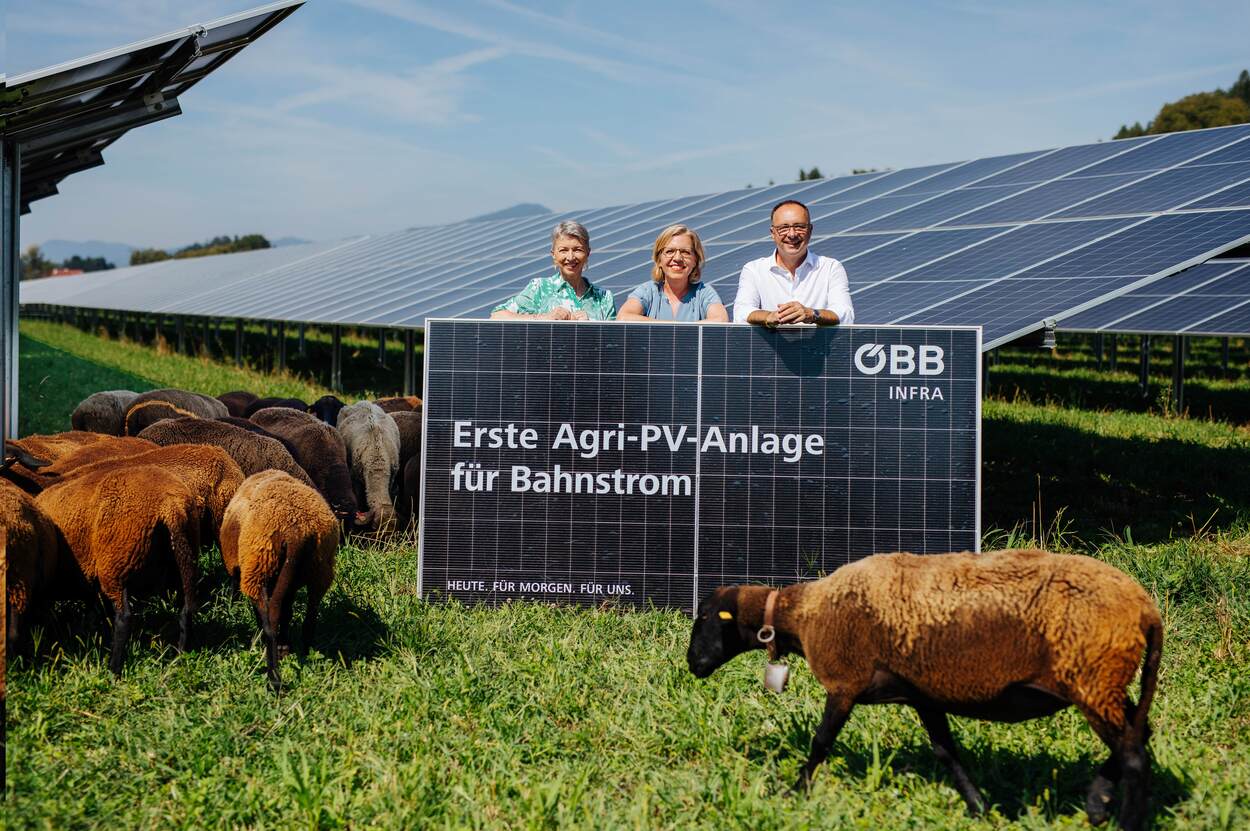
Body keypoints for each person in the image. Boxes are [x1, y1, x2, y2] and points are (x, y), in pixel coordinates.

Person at [732, 200, 854, 328]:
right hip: (772, 347)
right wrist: (769, 317)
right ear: (772, 233)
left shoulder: (831, 268)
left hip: (819, 347)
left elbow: (845, 314)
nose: (792, 234)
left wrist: (812, 314)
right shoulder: (754, 270)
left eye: (799, 227)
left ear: (810, 230)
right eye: (783, 228)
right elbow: (741, 313)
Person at [490, 220, 615, 320]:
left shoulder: (603, 297)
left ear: (588, 253)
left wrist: (591, 327)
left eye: (577, 250)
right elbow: (497, 316)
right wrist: (543, 318)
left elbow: (615, 344)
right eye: (563, 250)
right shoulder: (539, 289)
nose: (570, 257)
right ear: (553, 255)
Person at [616, 224, 729, 322]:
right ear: (659, 260)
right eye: (670, 251)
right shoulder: (648, 292)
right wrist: (671, 329)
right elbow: (623, 317)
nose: (678, 258)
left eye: (685, 252)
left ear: (695, 260)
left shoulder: (704, 293)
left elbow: (721, 320)